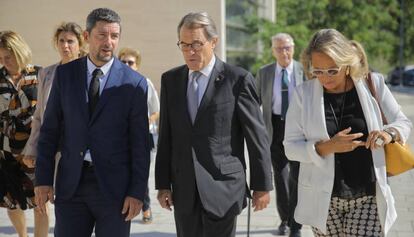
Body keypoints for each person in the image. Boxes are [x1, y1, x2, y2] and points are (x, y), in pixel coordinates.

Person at [283, 28, 412, 236]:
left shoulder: (373, 84)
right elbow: (290, 147)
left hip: (367, 195)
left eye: (332, 70)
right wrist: (327, 147)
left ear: (347, 63)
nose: (324, 78)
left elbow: (403, 122)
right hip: (324, 199)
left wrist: (389, 134)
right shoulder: (303, 95)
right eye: (318, 71)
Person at [34, 8, 150, 237]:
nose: (109, 42)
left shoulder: (135, 83)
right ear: (86, 37)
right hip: (71, 186)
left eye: (114, 36)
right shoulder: (65, 75)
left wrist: (137, 193)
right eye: (102, 35)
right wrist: (43, 180)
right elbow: (49, 131)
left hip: (115, 191)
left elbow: (140, 144)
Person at [155, 12, 273, 237]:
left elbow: (257, 138)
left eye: (197, 44)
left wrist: (262, 186)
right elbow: (166, 137)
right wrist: (163, 184)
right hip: (184, 189)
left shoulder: (237, 79)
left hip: (224, 188)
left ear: (214, 42)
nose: (190, 51)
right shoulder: (170, 80)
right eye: (184, 44)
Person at [255, 33, 306, 237]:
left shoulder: (305, 70)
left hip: (299, 129)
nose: (284, 52)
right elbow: (254, 101)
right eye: (279, 48)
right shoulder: (265, 72)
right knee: (282, 177)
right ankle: (285, 220)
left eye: (287, 48)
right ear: (273, 51)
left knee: (297, 178)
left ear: (293, 48)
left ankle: (296, 224)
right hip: (275, 128)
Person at [0, 31, 46, 237]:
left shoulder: (39, 75)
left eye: (7, 57)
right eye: (0, 58)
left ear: (19, 52)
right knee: (12, 201)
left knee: (39, 202)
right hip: (5, 152)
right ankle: (22, 235)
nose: (4, 62)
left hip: (34, 150)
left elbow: (49, 113)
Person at [118, 47, 160, 223]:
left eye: (131, 62)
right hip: (119, 138)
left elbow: (156, 111)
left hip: (142, 136)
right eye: (123, 61)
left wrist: (144, 123)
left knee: (139, 172)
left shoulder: (145, 83)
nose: (127, 65)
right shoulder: (114, 83)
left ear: (137, 65)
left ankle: (146, 206)